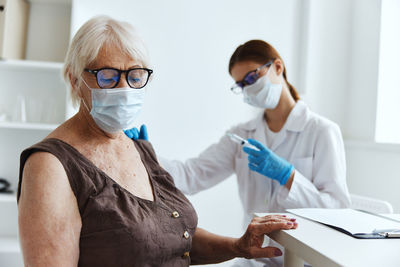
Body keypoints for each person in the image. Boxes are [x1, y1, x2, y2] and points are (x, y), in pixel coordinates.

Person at [17, 16, 298, 267]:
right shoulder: (50, 166)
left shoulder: (137, 148)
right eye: (108, 77)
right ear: (74, 79)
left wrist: (238, 247)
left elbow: (172, 237)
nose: (124, 89)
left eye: (136, 76)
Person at [127, 39, 351, 266]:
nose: (248, 88)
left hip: (304, 260)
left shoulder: (322, 131)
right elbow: (191, 175)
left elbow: (338, 208)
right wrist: (147, 159)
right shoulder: (242, 136)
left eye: (252, 78)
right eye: (241, 85)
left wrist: (289, 176)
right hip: (255, 259)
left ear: (278, 67)